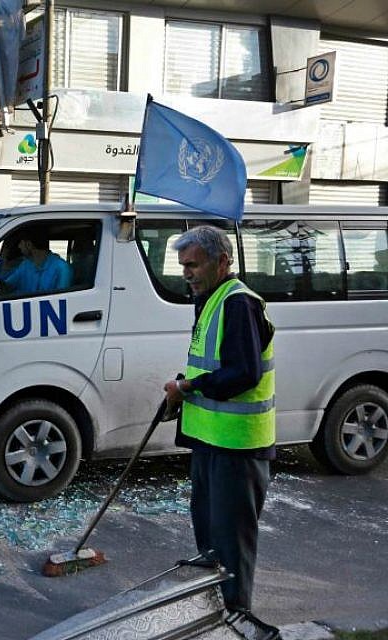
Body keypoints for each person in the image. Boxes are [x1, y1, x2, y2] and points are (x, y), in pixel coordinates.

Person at [162, 225, 276, 617]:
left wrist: (190, 385)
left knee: (231, 542)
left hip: (238, 447)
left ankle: (234, 616)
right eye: (183, 266)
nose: (187, 274)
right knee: (210, 537)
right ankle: (212, 606)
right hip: (210, 441)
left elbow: (244, 373)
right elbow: (207, 362)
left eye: (193, 265)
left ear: (222, 261)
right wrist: (183, 389)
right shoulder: (210, 299)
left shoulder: (238, 303)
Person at [1, 235, 73, 295]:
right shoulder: (25, 265)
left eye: (21, 242)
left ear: (29, 245)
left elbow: (61, 299)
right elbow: (6, 286)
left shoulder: (62, 268)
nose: (19, 246)